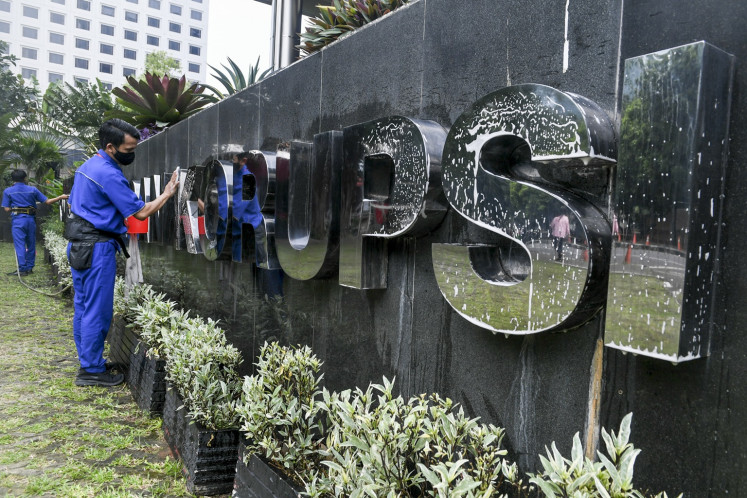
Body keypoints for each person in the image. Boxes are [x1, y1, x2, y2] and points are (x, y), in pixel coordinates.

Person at [66, 119, 179, 387]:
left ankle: (89, 362)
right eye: (129, 149)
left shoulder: (87, 167)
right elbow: (140, 212)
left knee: (83, 307)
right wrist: (166, 194)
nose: (132, 153)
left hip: (80, 245)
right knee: (97, 311)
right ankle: (91, 371)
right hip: (96, 249)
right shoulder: (107, 173)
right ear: (110, 146)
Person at [2, 169, 68, 276]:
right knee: (31, 243)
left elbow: (6, 209)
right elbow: (47, 201)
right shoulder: (32, 189)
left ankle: (22, 269)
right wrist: (60, 197)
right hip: (30, 220)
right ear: (25, 179)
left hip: (18, 220)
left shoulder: (8, 191)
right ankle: (29, 268)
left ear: (13, 179)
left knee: (20, 244)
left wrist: (15, 208)